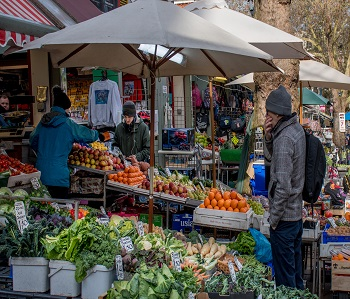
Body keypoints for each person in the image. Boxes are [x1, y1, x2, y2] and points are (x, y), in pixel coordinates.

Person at [263, 85, 306, 290]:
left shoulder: (286, 138)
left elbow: (282, 186)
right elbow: (275, 160)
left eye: (268, 112)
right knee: (296, 277)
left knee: (285, 284)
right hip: (296, 217)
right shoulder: (295, 130)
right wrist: (268, 137)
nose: (266, 115)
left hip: (284, 221)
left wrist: (273, 220)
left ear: (277, 113)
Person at [30, 85, 99, 199]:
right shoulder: (67, 124)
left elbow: (32, 139)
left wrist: (43, 149)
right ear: (65, 108)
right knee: (59, 213)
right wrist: (98, 134)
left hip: (40, 175)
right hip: (59, 178)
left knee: (41, 210)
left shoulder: (42, 123)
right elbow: (87, 135)